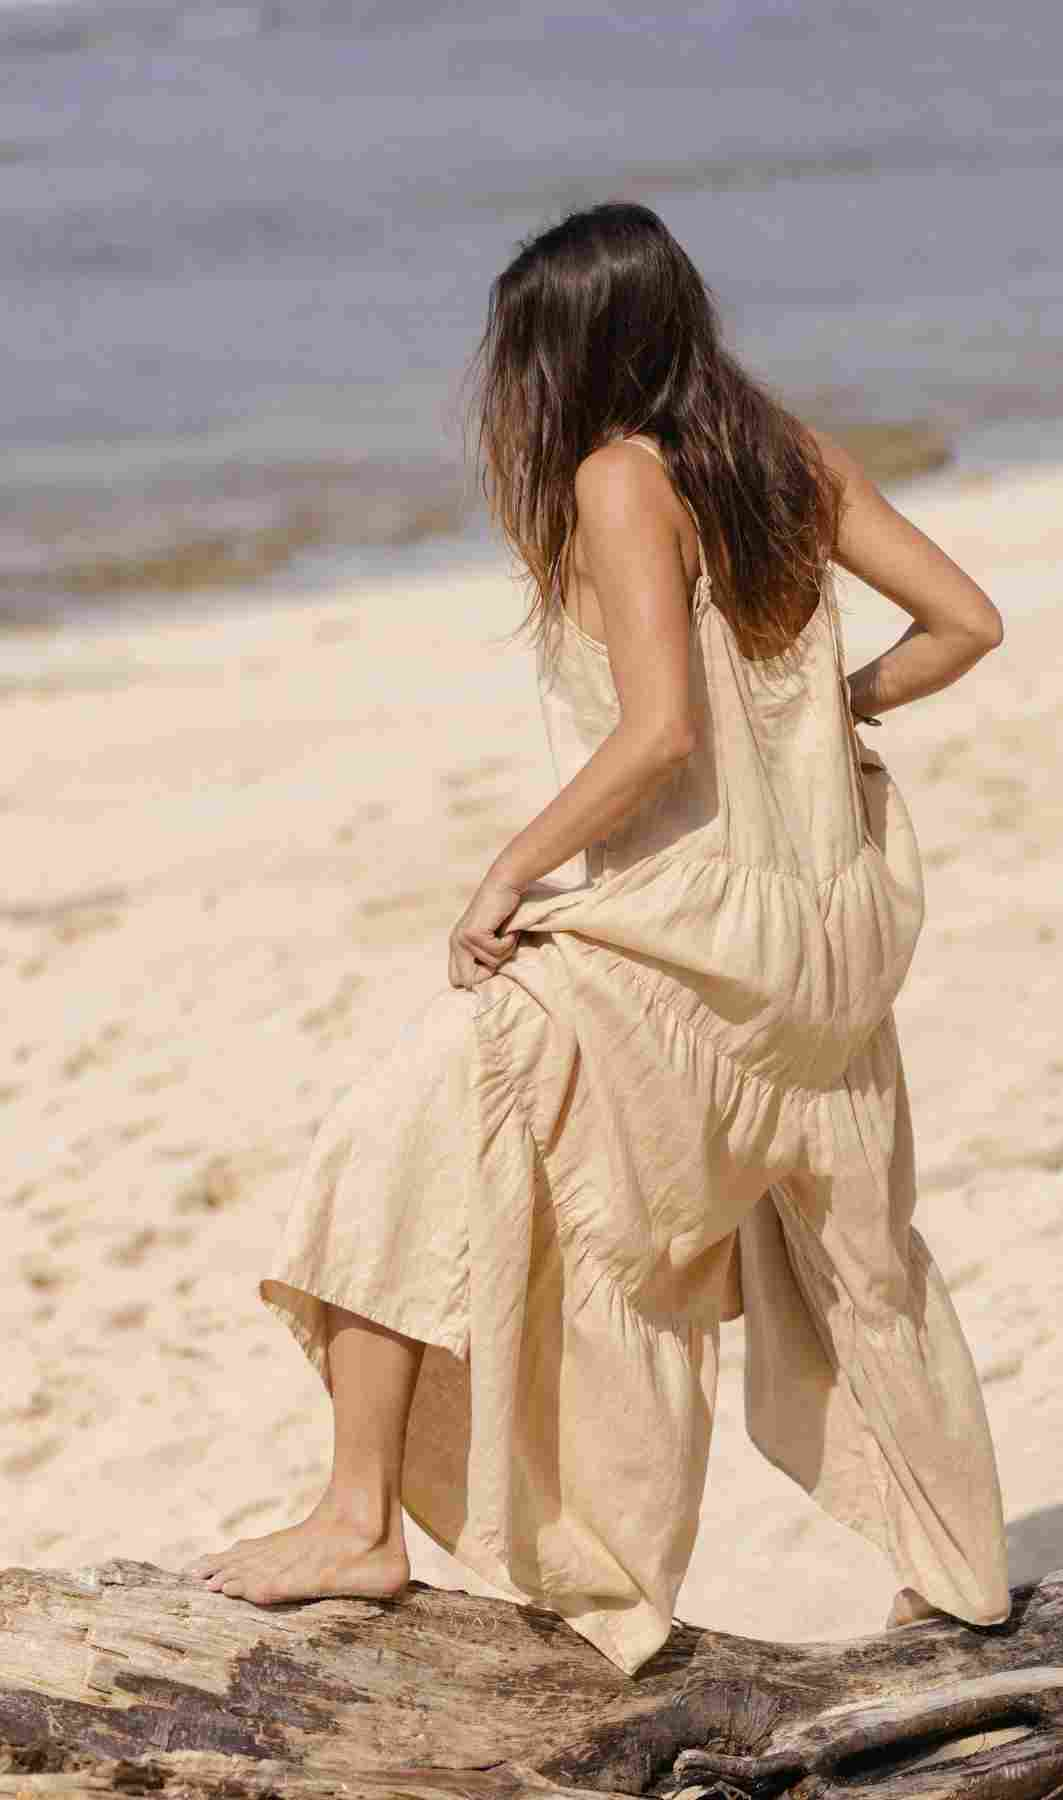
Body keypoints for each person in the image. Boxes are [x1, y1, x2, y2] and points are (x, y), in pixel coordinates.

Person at [185, 202, 1010, 1676]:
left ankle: (358, 1515)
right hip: (823, 945)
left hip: (695, 943)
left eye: (520, 350)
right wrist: (830, 724)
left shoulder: (621, 479)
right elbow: (968, 623)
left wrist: (505, 871)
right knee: (861, 1261)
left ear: (574, 348)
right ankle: (959, 1576)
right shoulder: (786, 455)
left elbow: (656, 734)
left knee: (410, 1130)